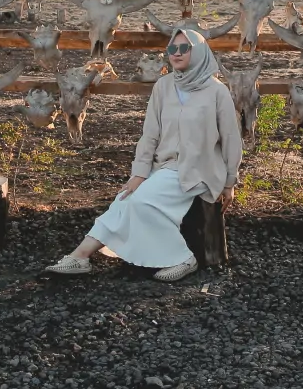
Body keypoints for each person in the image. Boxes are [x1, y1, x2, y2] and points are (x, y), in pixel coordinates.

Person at [44, 27, 242, 282]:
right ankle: (80, 256)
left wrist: (229, 182)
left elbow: (231, 138)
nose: (177, 53)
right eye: (172, 48)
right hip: (165, 167)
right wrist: (139, 173)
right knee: (124, 199)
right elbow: (150, 134)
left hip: (200, 169)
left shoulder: (216, 91)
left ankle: (182, 257)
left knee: (141, 202)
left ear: (200, 52)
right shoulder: (164, 86)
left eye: (184, 48)